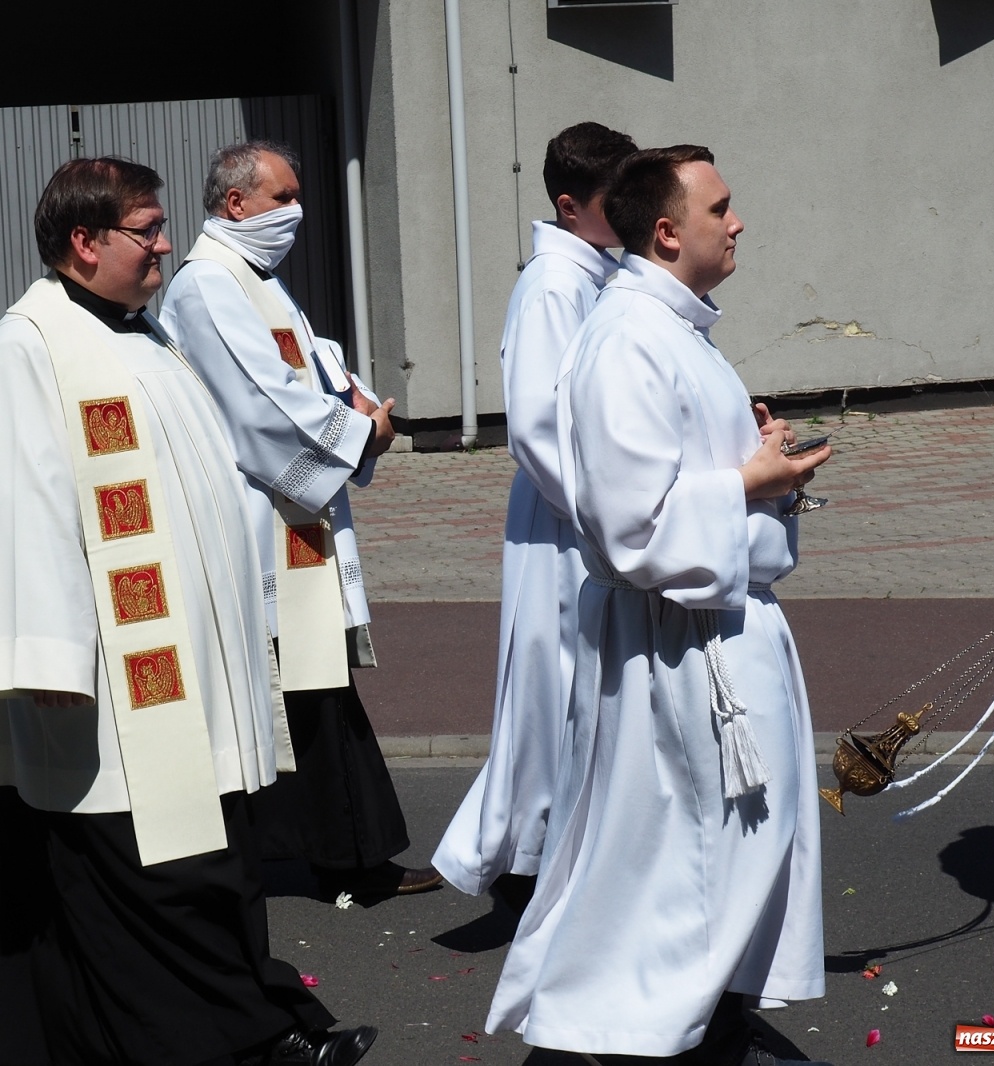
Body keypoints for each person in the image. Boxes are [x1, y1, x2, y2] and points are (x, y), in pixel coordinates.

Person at [0, 156, 376, 1066]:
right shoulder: (29, 348)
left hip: (194, 663)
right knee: (155, 877)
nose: (164, 246)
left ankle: (246, 1031)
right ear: (85, 242)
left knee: (211, 859)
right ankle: (250, 1043)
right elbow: (20, 511)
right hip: (107, 685)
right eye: (146, 231)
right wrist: (44, 664)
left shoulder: (148, 339)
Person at [486, 147, 831, 1064]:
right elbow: (631, 527)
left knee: (703, 860)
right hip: (679, 646)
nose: (739, 221)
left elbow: (690, 474)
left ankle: (692, 1022)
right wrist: (750, 485)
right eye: (722, 206)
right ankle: (641, 1034)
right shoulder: (627, 337)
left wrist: (761, 465)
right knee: (679, 864)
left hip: (712, 628)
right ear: (669, 231)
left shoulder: (674, 328)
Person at [160, 141, 440, 898]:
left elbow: (316, 368)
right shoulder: (205, 288)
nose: (295, 212)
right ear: (235, 204)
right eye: (281, 198)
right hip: (260, 520)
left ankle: (349, 850)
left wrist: (358, 403)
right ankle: (334, 855)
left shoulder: (258, 282)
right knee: (296, 692)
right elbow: (264, 405)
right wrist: (359, 433)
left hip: (293, 516)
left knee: (316, 687)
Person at [432, 121, 637, 906]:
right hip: (566, 514)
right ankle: (528, 864)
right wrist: (599, 515)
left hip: (582, 506)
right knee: (552, 685)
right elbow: (538, 425)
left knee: (571, 686)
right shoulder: (554, 284)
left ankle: (548, 855)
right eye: (618, 196)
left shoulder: (594, 273)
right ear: (570, 203)